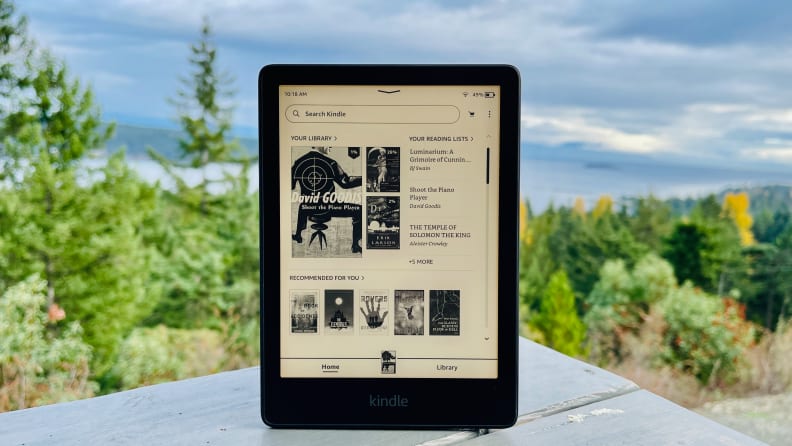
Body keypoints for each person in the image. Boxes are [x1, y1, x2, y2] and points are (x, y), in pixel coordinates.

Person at [291, 147, 362, 253]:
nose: (330, 146)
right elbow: (345, 183)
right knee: (359, 210)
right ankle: (355, 245)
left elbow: (291, 185)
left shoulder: (299, 162)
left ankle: (298, 235)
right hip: (328, 207)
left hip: (307, 208)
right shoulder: (330, 163)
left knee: (303, 205)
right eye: (327, 144)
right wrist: (365, 178)